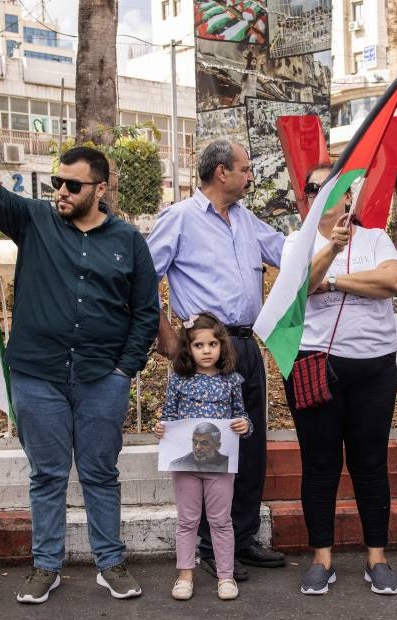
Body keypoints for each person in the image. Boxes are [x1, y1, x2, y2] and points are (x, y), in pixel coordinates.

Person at [0, 76, 159, 604]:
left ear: (101, 188)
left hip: (101, 380)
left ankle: (109, 562)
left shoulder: (128, 241)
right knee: (46, 476)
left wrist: (123, 371)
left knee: (99, 473)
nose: (60, 193)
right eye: (56, 184)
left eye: (71, 185)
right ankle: (45, 566)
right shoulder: (36, 220)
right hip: (37, 375)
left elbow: (145, 312)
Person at [148, 139, 286, 581]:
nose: (251, 177)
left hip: (245, 346)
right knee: (206, 447)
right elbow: (142, 278)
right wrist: (168, 338)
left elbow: (289, 254)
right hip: (205, 351)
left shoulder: (247, 221)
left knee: (249, 445)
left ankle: (239, 540)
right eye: (245, 169)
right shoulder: (180, 219)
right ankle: (209, 547)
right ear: (222, 172)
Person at [281, 164, 397, 596]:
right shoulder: (298, 242)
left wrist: (332, 281)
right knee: (320, 465)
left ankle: (377, 558)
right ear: (307, 198)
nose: (324, 195)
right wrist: (329, 252)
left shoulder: (376, 238)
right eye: (315, 189)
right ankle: (322, 559)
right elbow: (299, 288)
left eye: (334, 188)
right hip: (314, 364)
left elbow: (391, 280)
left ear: (349, 196)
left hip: (373, 367)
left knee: (370, 465)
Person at [153, 313, 252, 601]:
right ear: (189, 348)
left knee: (221, 520)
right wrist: (161, 428)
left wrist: (245, 426)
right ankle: (185, 575)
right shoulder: (179, 381)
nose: (206, 351)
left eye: (212, 344)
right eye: (198, 345)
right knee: (187, 520)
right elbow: (168, 417)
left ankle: (225, 576)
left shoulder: (231, 381)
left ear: (222, 346)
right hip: (185, 465)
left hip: (220, 466)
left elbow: (242, 417)